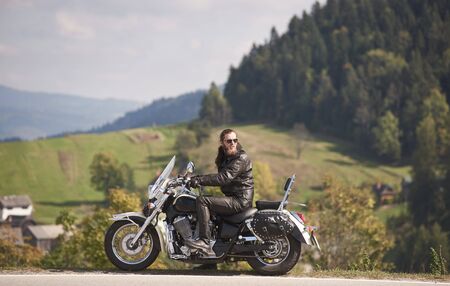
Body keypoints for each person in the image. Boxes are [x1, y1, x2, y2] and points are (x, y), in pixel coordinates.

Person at [185, 128, 254, 256]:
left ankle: (204, 242)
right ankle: (209, 259)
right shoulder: (226, 157)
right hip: (233, 198)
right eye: (229, 141)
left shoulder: (241, 158)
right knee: (208, 207)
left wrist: (198, 180)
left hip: (240, 200)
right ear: (222, 142)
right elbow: (221, 177)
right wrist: (190, 178)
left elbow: (224, 178)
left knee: (202, 201)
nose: (233, 143)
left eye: (235, 140)